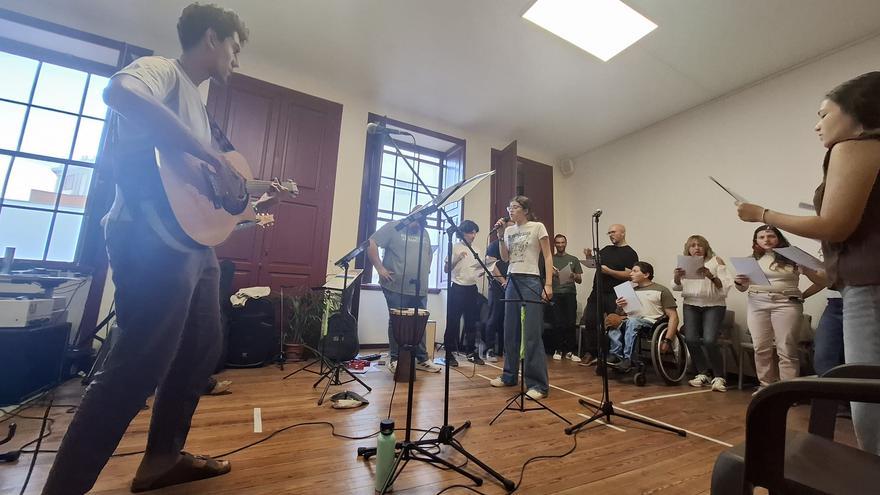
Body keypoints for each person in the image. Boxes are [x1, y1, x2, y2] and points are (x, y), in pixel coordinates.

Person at [42, 5, 285, 494]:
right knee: (140, 362)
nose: (237, 59)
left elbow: (208, 184)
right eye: (235, 47)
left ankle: (160, 460)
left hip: (193, 245)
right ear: (212, 38)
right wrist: (209, 155)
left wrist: (246, 189)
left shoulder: (199, 107)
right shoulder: (161, 70)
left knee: (202, 348)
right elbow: (119, 92)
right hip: (150, 235)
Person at [735, 71, 880, 453]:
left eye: (823, 114)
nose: (817, 125)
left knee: (870, 402)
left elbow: (835, 224)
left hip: (870, 288)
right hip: (857, 285)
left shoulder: (855, 146)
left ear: (856, 115)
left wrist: (761, 212)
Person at [732, 226, 821, 394]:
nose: (766, 239)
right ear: (756, 241)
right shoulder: (751, 260)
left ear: (779, 238)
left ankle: (787, 391)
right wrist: (739, 282)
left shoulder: (793, 258)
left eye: (771, 236)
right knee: (760, 347)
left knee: (786, 348)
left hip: (786, 303)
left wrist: (804, 293)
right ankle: (766, 387)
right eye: (761, 237)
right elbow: (742, 289)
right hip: (757, 302)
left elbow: (822, 280)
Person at [489, 196, 554, 399]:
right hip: (512, 280)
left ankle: (538, 385)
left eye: (515, 207)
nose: (510, 210)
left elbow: (548, 256)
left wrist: (548, 284)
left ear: (525, 210)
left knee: (531, 333)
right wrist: (500, 235)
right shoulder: (508, 230)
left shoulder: (537, 227)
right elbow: (506, 258)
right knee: (510, 330)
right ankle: (509, 375)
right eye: (509, 207)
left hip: (531, 280)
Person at [367, 209, 442, 374]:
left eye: (421, 220)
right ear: (409, 214)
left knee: (419, 322)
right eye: (415, 219)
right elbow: (371, 242)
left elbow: (429, 253)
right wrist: (380, 269)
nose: (417, 223)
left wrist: (426, 269)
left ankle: (422, 359)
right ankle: (395, 359)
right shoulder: (393, 227)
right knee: (397, 322)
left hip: (419, 288)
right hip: (395, 285)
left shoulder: (426, 233)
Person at [673, 235, 733, 392]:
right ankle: (702, 373)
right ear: (688, 249)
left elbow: (725, 286)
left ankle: (719, 376)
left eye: (700, 245)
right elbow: (677, 287)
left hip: (713, 305)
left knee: (709, 340)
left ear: (706, 247)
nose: (696, 248)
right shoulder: (685, 263)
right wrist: (677, 277)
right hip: (691, 304)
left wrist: (710, 275)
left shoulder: (716, 261)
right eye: (692, 245)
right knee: (691, 339)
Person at [580, 224, 638, 365]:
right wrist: (588, 257)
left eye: (613, 232)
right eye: (609, 233)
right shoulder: (606, 250)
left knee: (614, 324)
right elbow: (594, 264)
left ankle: (614, 355)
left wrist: (610, 272)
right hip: (597, 291)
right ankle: (591, 353)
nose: (611, 234)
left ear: (623, 233)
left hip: (617, 293)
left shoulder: (630, 253)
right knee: (591, 320)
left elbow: (630, 275)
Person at [609, 262, 679, 371]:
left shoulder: (661, 290)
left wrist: (667, 340)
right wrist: (619, 306)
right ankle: (616, 355)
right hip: (630, 320)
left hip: (651, 322)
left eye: (635, 271)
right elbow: (620, 313)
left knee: (633, 322)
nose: (631, 273)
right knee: (612, 319)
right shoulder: (630, 291)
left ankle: (628, 359)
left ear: (646, 274)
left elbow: (673, 316)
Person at [443, 220, 485, 366]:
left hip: (472, 288)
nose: (473, 235)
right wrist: (458, 258)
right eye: (471, 232)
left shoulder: (477, 250)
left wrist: (481, 272)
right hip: (458, 288)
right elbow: (446, 269)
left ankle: (471, 352)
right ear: (463, 233)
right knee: (453, 322)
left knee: (471, 322)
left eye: (475, 233)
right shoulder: (454, 247)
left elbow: (477, 269)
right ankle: (449, 354)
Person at [483, 217, 514, 362]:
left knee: (508, 319)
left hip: (512, 286)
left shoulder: (514, 245)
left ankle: (503, 349)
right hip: (497, 286)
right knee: (494, 317)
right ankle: (489, 349)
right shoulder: (494, 245)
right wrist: (503, 282)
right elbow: (492, 266)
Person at [550, 234, 583, 362]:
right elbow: (544, 277)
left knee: (570, 322)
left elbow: (579, 280)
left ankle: (570, 351)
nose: (560, 245)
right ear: (554, 244)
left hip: (570, 293)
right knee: (557, 322)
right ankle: (558, 349)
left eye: (562, 242)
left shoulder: (573, 259)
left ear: (566, 243)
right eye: (558, 243)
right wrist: (552, 273)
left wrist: (572, 275)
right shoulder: (550, 259)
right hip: (555, 293)